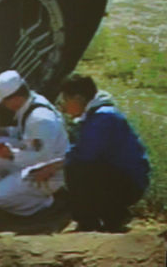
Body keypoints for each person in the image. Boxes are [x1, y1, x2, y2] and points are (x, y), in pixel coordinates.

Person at [33, 74, 150, 232]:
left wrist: (52, 167)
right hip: (119, 177)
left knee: (76, 168)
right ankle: (108, 216)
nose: (64, 106)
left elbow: (85, 155)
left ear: (79, 98)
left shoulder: (103, 117)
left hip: (128, 182)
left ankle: (98, 219)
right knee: (77, 166)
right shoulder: (97, 115)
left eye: (66, 100)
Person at [0, 70, 69, 216]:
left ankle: (48, 203)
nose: (2, 104)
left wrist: (12, 154)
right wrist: (6, 132)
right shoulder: (31, 103)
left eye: (3, 100)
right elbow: (28, 136)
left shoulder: (40, 119)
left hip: (50, 174)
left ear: (16, 98)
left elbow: (43, 158)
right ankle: (18, 192)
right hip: (39, 160)